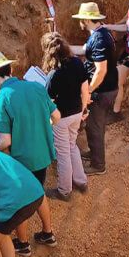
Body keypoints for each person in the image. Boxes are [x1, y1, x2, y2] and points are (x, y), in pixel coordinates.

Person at [0, 51, 61, 257]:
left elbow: (6, 140)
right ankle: (48, 233)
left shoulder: (0, 101)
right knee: (38, 192)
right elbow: (56, 117)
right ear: (10, 69)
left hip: (21, 160)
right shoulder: (35, 87)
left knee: (20, 200)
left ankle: (23, 244)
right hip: (42, 154)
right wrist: (39, 129)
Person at [69, 3, 118, 176]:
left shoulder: (99, 39)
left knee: (95, 126)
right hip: (106, 88)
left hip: (101, 91)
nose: (80, 22)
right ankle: (94, 153)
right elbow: (84, 50)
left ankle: (99, 165)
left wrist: (88, 90)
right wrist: (63, 48)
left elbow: (101, 70)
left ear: (87, 19)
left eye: (82, 19)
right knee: (93, 125)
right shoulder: (101, 33)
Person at [40, 32, 90, 202]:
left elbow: (48, 103)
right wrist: (83, 110)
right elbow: (85, 90)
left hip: (61, 118)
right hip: (77, 113)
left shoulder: (53, 75)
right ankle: (81, 181)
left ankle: (64, 190)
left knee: (62, 153)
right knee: (71, 146)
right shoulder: (77, 62)